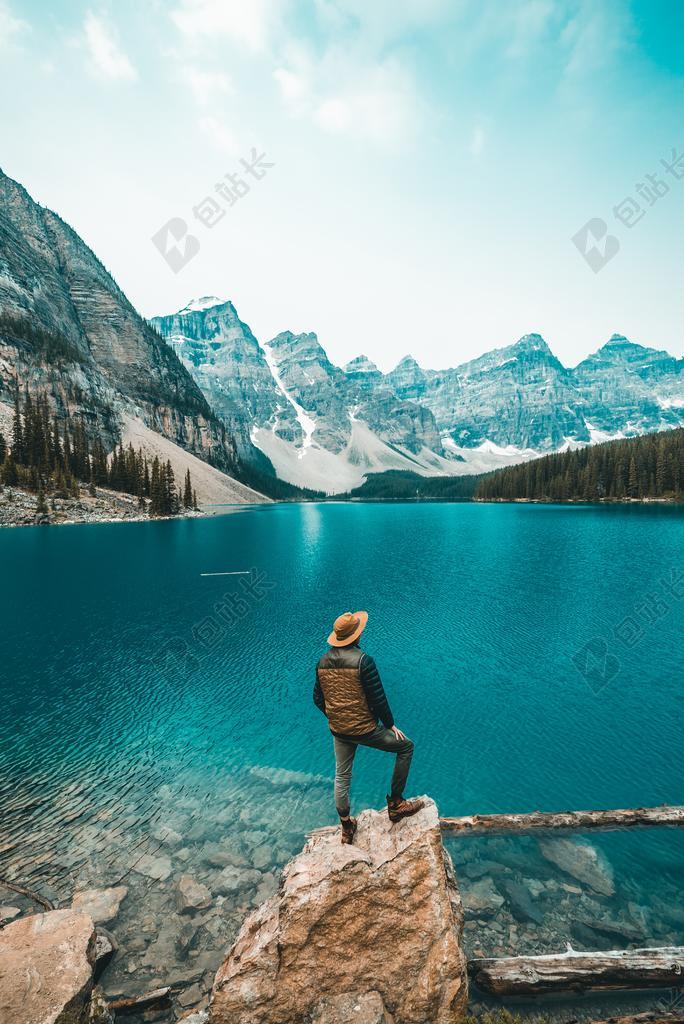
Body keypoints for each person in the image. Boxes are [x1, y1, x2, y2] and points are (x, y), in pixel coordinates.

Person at [313, 610, 424, 844]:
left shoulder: (322, 662)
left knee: (342, 775)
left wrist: (336, 716)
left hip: (339, 730)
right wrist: (390, 724)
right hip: (365, 730)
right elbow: (378, 699)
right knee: (406, 747)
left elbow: (317, 698)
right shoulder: (364, 661)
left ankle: (346, 827)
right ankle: (396, 804)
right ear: (356, 636)